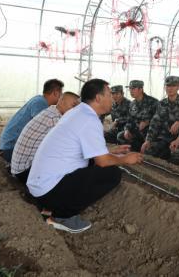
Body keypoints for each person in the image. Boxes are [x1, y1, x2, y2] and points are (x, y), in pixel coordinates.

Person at [27, 79, 143, 233]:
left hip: (39, 186)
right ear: (98, 98)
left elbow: (87, 148)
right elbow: (102, 162)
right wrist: (125, 159)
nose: (112, 99)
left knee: (92, 164)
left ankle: (51, 207)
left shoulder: (79, 112)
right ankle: (62, 216)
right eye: (109, 94)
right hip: (48, 191)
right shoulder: (89, 119)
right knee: (112, 174)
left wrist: (110, 151)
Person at [10, 92, 80, 184]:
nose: (75, 110)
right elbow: (69, 143)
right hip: (25, 171)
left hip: (19, 168)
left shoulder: (51, 111)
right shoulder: (54, 118)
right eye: (73, 106)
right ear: (62, 102)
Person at [0, 79, 64, 163]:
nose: (62, 97)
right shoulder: (40, 103)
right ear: (55, 93)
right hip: (10, 148)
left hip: (7, 145)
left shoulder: (38, 99)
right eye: (61, 94)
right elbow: (44, 129)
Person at [141, 76, 179, 159]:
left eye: (173, 86)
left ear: (178, 87)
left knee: (177, 154)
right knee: (148, 150)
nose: (170, 89)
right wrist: (148, 140)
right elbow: (155, 123)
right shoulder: (161, 103)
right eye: (168, 86)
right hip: (164, 138)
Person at [117, 80, 158, 152]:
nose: (130, 91)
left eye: (133, 89)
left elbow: (159, 120)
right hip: (136, 132)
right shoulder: (132, 104)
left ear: (141, 89)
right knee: (121, 135)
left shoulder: (153, 102)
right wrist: (127, 130)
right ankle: (134, 151)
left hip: (148, 133)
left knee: (151, 148)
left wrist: (147, 122)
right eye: (129, 89)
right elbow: (129, 120)